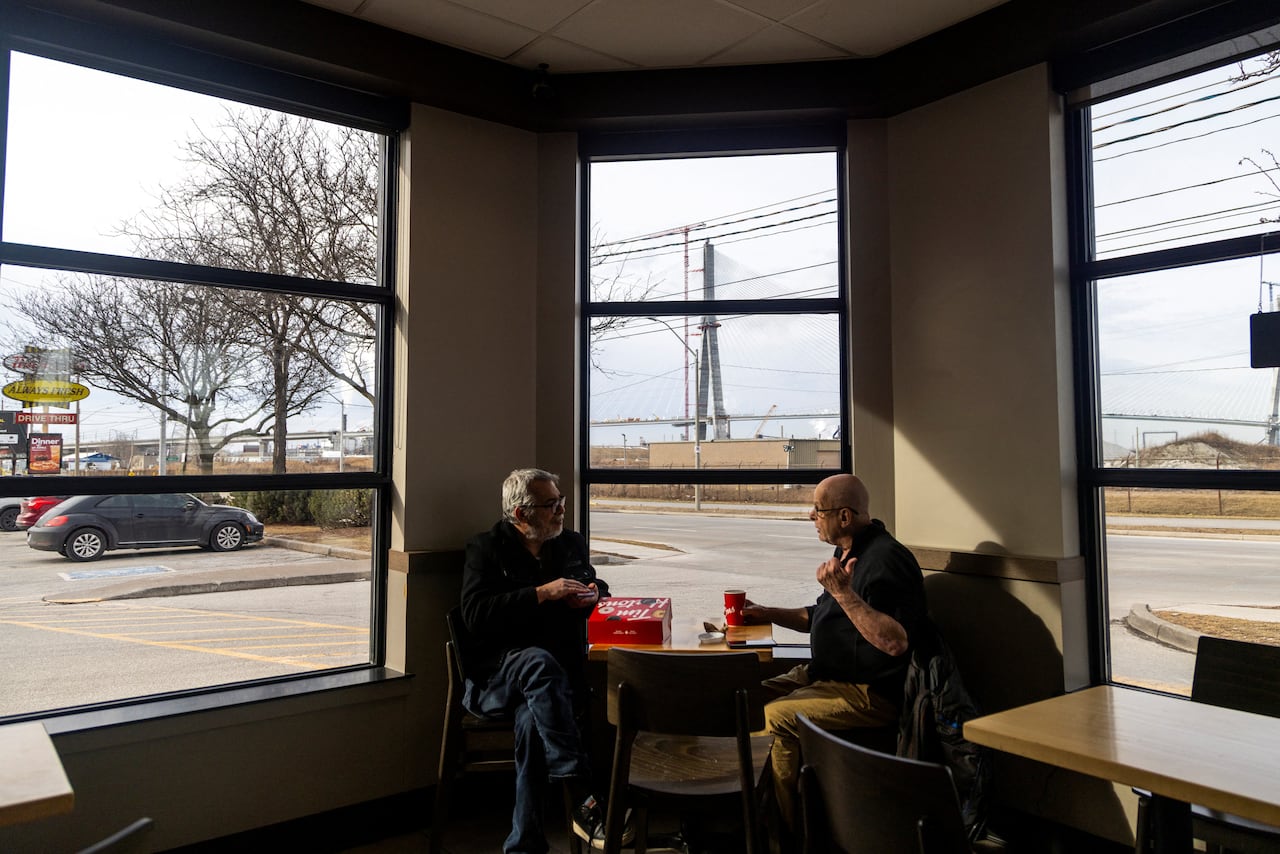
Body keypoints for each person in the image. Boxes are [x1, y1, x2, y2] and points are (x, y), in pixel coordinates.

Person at [741, 473, 927, 836]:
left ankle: (783, 834)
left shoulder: (886, 559)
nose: (812, 517)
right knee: (747, 694)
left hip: (869, 693)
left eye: (818, 510)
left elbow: (895, 642)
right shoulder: (849, 551)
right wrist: (767, 613)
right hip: (827, 675)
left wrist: (845, 594)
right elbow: (819, 616)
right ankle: (755, 811)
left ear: (844, 516)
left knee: (777, 716)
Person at [460, 467, 631, 853]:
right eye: (550, 504)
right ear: (521, 514)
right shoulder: (485, 549)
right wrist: (541, 593)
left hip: (549, 688)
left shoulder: (568, 544)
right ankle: (581, 791)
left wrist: (591, 593)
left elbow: (595, 584)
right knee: (537, 662)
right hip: (496, 677)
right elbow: (474, 616)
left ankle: (524, 844)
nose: (560, 510)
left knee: (532, 721)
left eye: (561, 501)